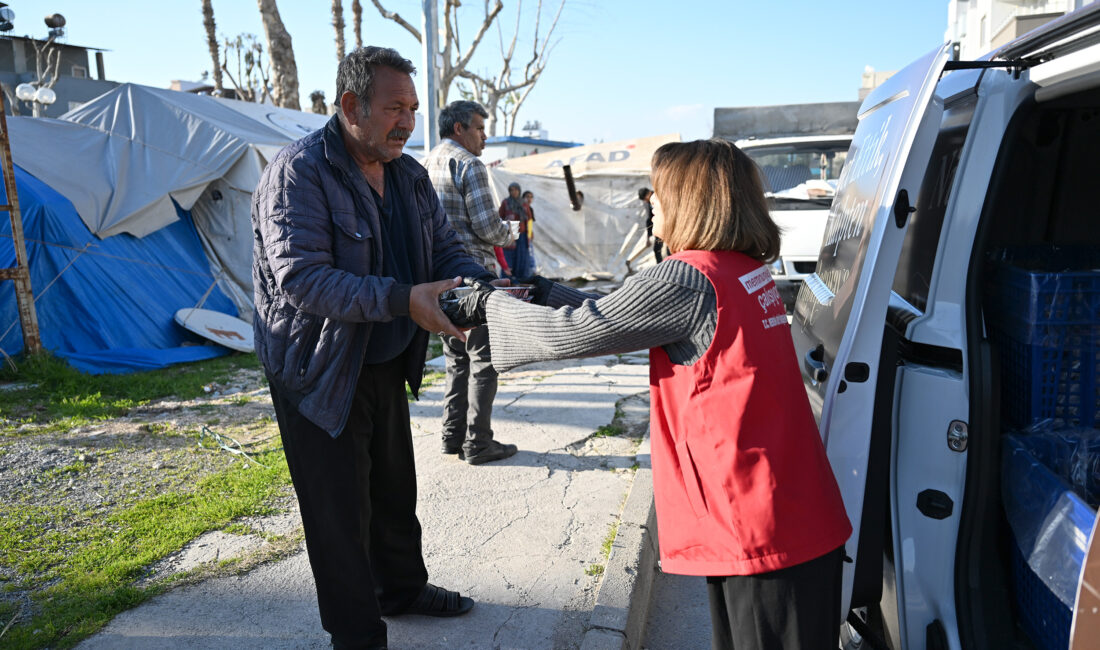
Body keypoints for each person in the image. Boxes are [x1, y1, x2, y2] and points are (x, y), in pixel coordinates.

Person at [450, 139, 852, 650]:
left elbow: (581, 331)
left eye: (658, 191)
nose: (652, 202)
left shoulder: (688, 277)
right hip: (789, 511)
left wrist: (488, 307)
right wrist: (546, 292)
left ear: (690, 199)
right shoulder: (738, 269)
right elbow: (627, 314)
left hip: (759, 528)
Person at [251, 46, 493, 650]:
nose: (407, 121)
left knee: (393, 490)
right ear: (351, 105)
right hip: (318, 366)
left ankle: (401, 590)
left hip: (384, 357)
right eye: (394, 108)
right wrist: (404, 299)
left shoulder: (408, 175)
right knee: (339, 513)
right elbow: (303, 279)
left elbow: (444, 249)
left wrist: (475, 287)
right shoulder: (299, 172)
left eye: (412, 109)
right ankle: (356, 633)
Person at [423, 101, 518, 465]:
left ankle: (452, 436)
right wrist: (511, 232)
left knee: (455, 359)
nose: (485, 136)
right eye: (479, 128)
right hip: (474, 277)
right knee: (483, 359)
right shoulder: (468, 164)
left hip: (438, 282)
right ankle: (478, 442)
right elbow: (487, 227)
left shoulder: (424, 163)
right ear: (459, 128)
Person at [498, 182, 534, 278]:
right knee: (509, 258)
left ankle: (521, 280)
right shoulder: (506, 203)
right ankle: (507, 280)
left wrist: (530, 234)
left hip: (522, 235)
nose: (514, 192)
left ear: (519, 191)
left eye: (516, 190)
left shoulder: (524, 204)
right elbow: (499, 218)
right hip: (510, 234)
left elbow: (529, 220)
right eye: (511, 190)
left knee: (522, 258)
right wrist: (503, 232)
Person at [639, 186, 665, 263]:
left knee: (670, 249)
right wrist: (648, 236)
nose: (645, 201)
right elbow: (649, 218)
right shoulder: (648, 203)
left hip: (666, 226)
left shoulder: (659, 197)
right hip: (659, 228)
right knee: (657, 249)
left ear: (649, 193)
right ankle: (660, 266)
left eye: (645, 199)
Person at [522, 190, 537, 273]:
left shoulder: (530, 209)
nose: (529, 199)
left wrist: (531, 233)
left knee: (530, 253)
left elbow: (530, 222)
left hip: (527, 235)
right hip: (522, 235)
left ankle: (532, 271)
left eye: (531, 197)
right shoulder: (520, 208)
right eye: (527, 197)